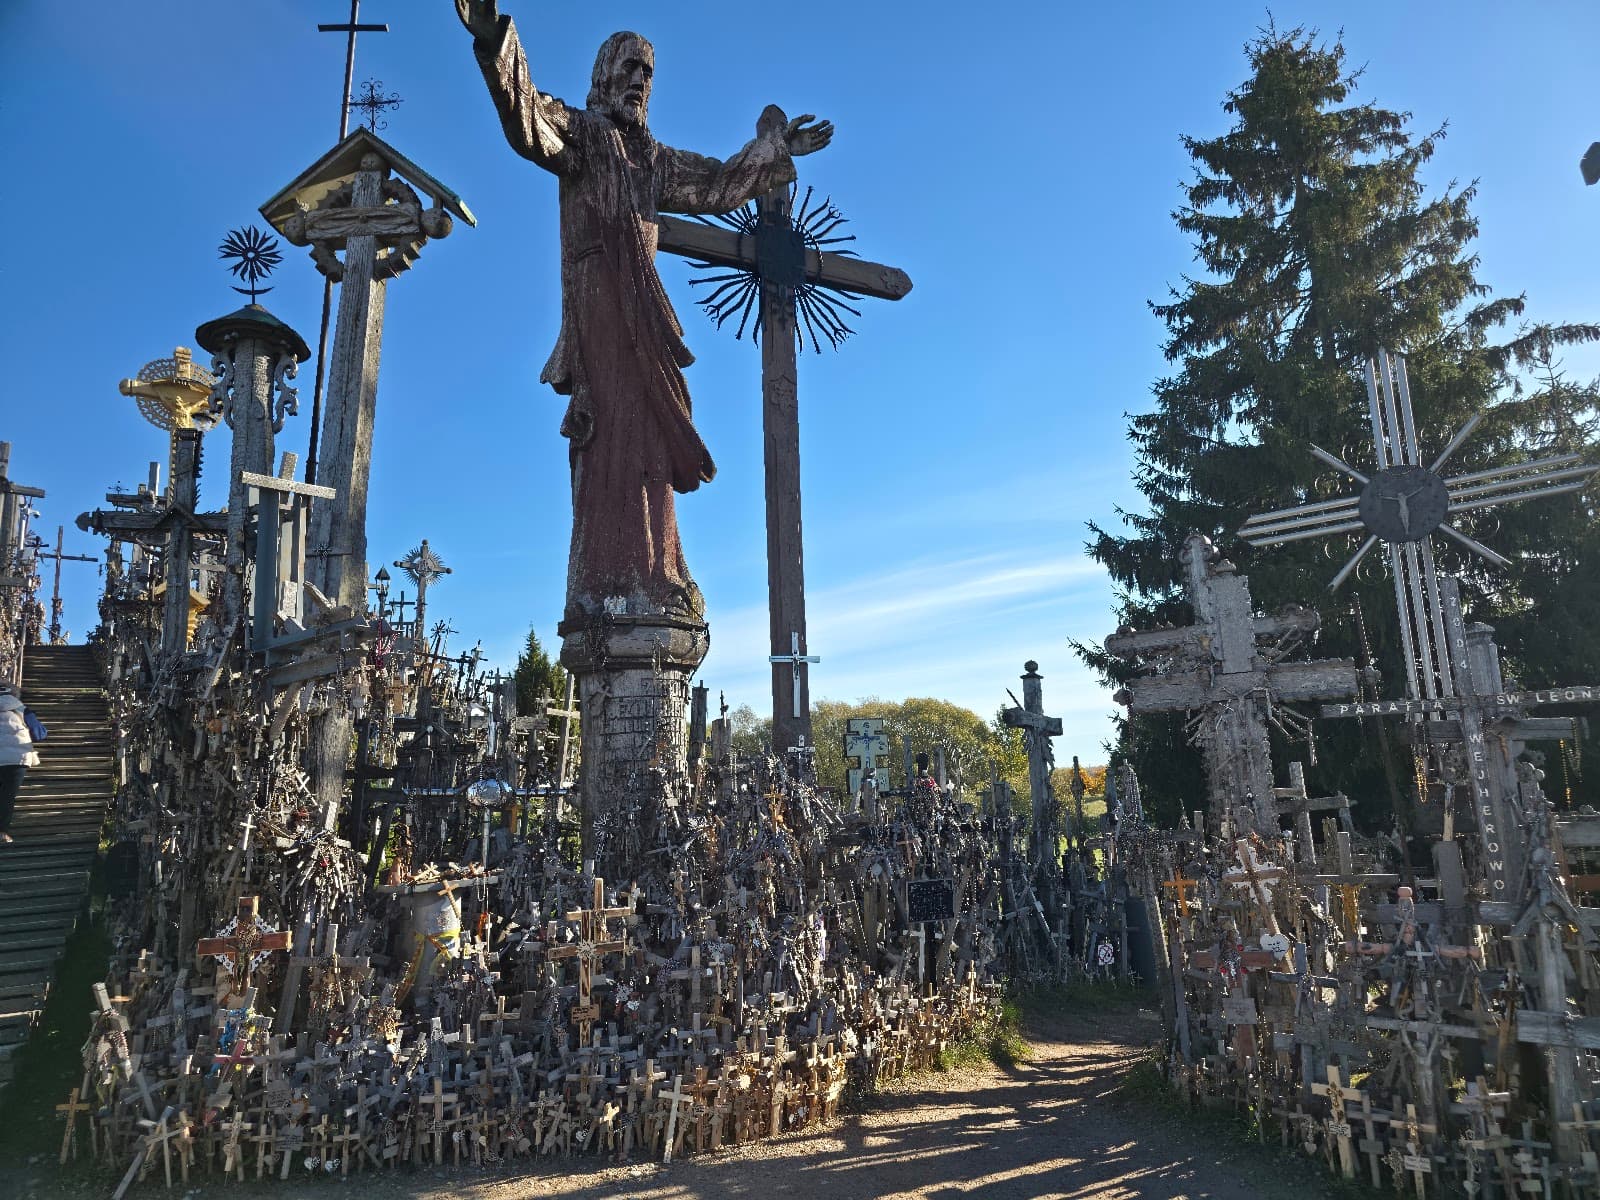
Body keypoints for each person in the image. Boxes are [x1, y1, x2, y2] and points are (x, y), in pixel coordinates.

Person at [455, 1, 833, 625]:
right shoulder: (580, 133)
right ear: (603, 76)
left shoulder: (654, 159)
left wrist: (773, 150)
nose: (638, 81)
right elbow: (525, 118)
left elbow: (714, 185)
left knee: (653, 433)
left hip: (646, 312)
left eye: (647, 74)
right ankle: (609, 573)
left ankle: (658, 567)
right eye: (628, 67)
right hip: (601, 305)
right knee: (611, 435)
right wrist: (497, 38)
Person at [0, 681, 40, 844]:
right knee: (7, 796)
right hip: (17, 758)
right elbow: (39, 733)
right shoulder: (22, 709)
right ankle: (2, 833)